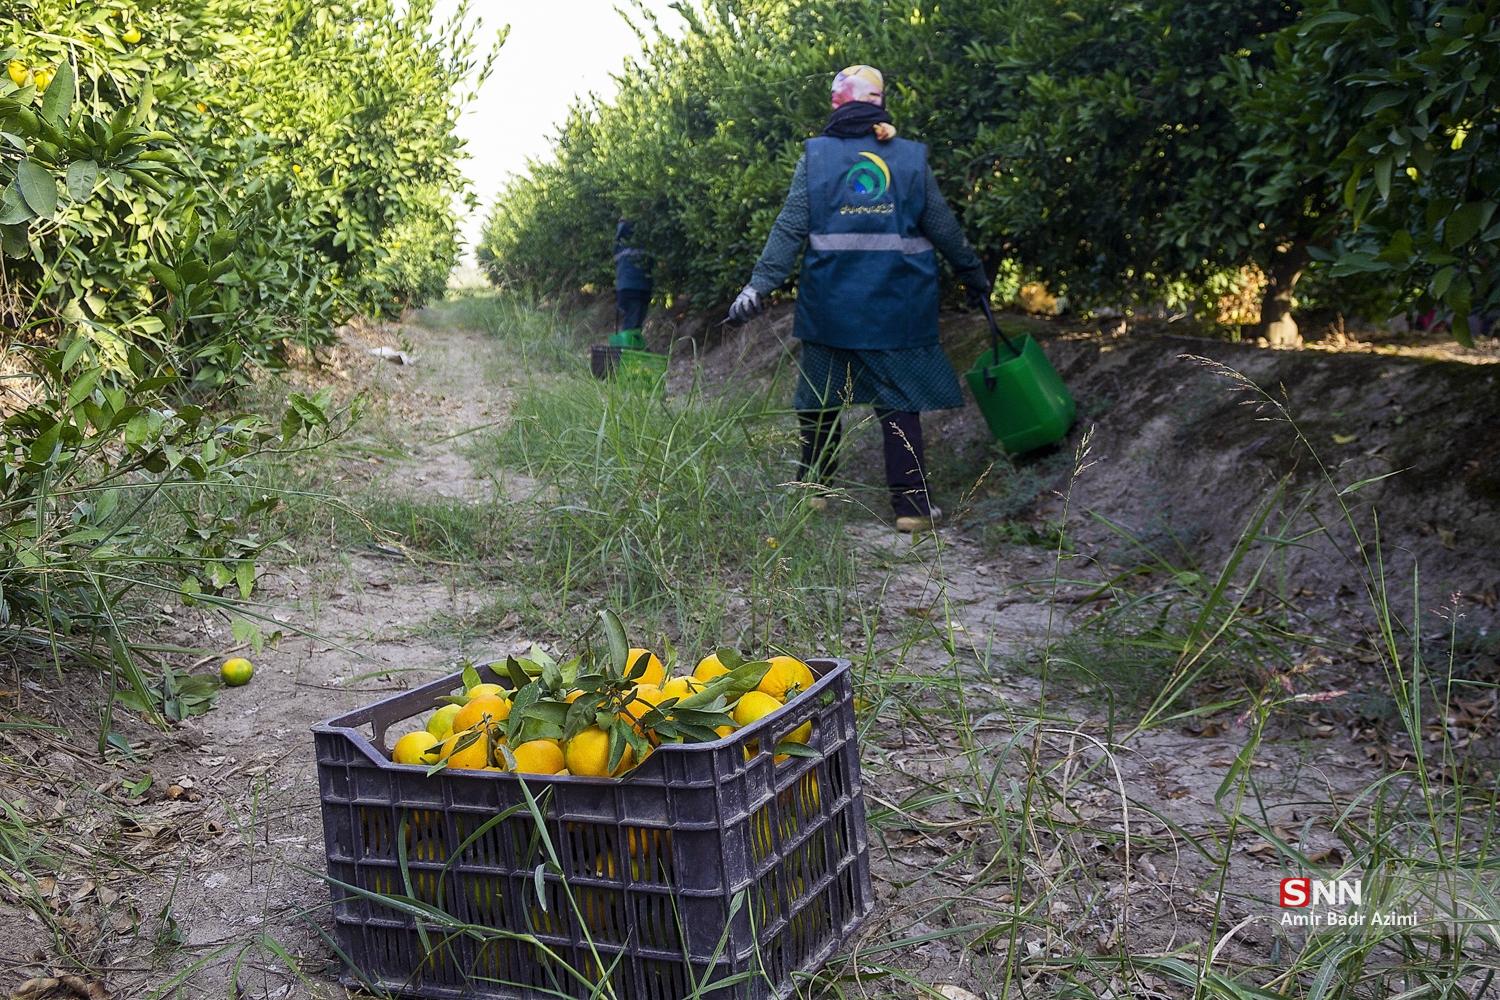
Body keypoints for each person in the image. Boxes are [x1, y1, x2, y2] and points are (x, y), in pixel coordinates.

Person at [728, 64, 990, 532]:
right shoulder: (908, 158)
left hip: (831, 308)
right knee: (897, 402)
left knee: (821, 400)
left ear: (835, 105)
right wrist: (973, 276)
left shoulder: (818, 158)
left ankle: (814, 494)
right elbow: (944, 227)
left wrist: (758, 285)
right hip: (898, 308)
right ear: (879, 102)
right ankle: (911, 507)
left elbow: (790, 227)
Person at [614, 218, 653, 333]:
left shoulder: (619, 245)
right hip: (638, 288)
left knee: (632, 321)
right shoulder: (643, 241)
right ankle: (628, 348)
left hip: (626, 288)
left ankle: (629, 346)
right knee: (634, 322)